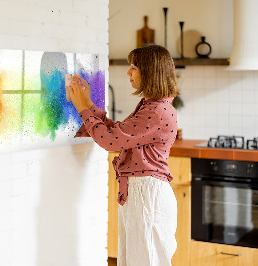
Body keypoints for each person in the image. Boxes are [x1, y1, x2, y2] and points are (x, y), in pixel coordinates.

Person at [67, 44, 179, 266]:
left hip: (147, 195)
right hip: (142, 193)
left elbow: (110, 141)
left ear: (150, 72)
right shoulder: (152, 106)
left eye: (134, 67)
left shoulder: (156, 111)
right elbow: (118, 133)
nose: (128, 72)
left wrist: (82, 108)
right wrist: (88, 103)